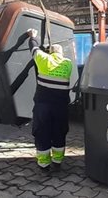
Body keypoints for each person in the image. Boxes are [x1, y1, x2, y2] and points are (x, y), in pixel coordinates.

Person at [26, 29, 73, 172]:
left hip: (43, 105)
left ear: (50, 53)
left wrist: (32, 37)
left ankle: (44, 164)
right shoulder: (68, 64)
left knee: (42, 132)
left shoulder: (44, 59)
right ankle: (57, 161)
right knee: (59, 131)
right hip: (60, 106)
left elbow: (34, 48)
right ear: (61, 54)